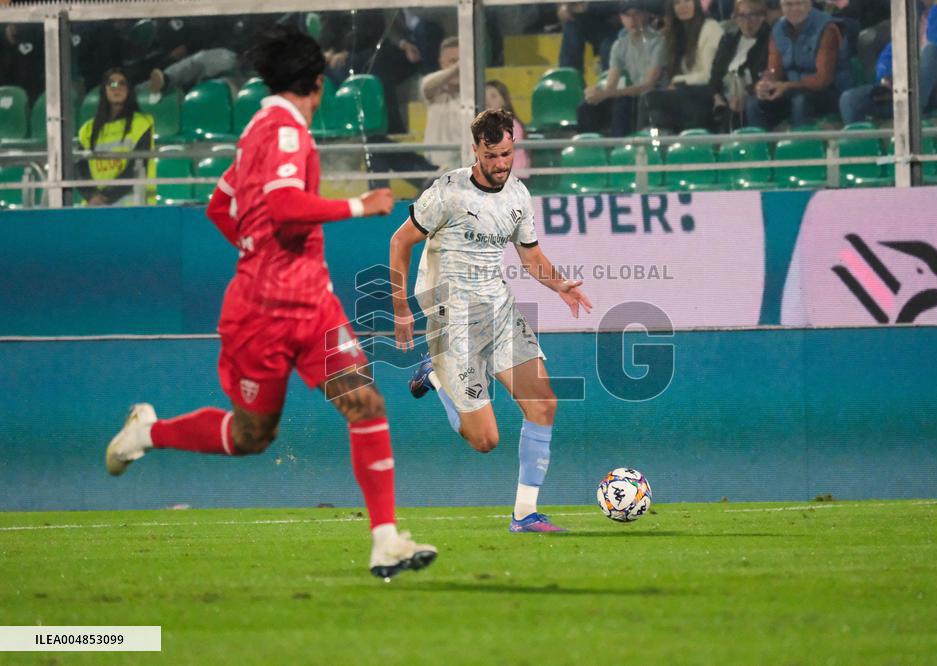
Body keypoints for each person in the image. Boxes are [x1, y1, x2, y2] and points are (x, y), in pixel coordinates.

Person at [104, 26, 437, 580]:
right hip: (263, 313)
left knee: (366, 405)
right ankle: (148, 432)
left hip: (311, 306)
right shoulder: (285, 131)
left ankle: (385, 541)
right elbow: (283, 205)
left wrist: (262, 253)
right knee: (251, 435)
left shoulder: (257, 130)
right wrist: (361, 205)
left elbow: (220, 206)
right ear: (317, 83)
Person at [389, 109, 593, 534]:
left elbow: (531, 256)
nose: (501, 163)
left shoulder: (518, 195)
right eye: (492, 155)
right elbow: (399, 241)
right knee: (485, 441)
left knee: (543, 404)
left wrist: (560, 286)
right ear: (475, 151)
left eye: (507, 153)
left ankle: (524, 514)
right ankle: (437, 376)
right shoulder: (447, 192)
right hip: (451, 316)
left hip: (498, 308)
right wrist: (401, 308)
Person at [839, 0, 937, 124]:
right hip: (907, 91)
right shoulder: (914, 12)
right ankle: (867, 150)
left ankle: (911, 109)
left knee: (931, 51)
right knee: (850, 100)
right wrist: (886, 77)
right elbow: (891, 51)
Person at [745, 0, 851, 129]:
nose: (794, 9)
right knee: (754, 102)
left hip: (828, 91)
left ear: (809, 4)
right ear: (781, 7)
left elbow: (823, 78)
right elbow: (774, 68)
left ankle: (804, 146)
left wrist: (788, 86)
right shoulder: (777, 29)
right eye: (788, 4)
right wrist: (766, 82)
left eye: (799, 3)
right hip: (791, 89)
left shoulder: (827, 28)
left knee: (801, 101)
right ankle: (761, 147)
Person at [577, 1, 665, 137]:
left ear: (646, 15)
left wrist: (607, 93)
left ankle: (619, 150)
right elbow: (610, 85)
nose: (632, 20)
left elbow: (648, 85)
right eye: (627, 16)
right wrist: (596, 93)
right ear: (621, 18)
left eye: (636, 14)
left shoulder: (658, 42)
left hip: (655, 94)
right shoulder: (619, 45)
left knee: (622, 103)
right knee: (586, 107)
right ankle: (589, 150)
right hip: (633, 94)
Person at [77, 68, 156, 206]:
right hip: (95, 206)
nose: (117, 88)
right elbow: (80, 169)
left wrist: (105, 198)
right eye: (111, 84)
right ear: (104, 90)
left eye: (122, 83)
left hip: (133, 206)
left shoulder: (142, 124)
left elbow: (137, 166)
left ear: (129, 89)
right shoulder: (87, 130)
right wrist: (91, 196)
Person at [642, 0, 724, 132]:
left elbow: (709, 76)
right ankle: (658, 147)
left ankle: (645, 148)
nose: (682, 7)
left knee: (650, 98)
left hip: (707, 93)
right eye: (677, 3)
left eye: (687, 1)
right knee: (655, 110)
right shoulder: (677, 33)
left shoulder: (711, 28)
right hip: (685, 93)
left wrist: (678, 80)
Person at [708, 0, 772, 131]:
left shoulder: (769, 40)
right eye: (741, 16)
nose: (747, 22)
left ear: (762, 17)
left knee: (745, 106)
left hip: (751, 92)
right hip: (725, 94)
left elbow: (763, 74)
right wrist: (716, 96)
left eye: (752, 15)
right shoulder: (728, 39)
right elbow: (716, 73)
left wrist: (745, 93)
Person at [420, 36, 463, 170]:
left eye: (461, 61)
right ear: (442, 63)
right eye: (453, 61)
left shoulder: (477, 91)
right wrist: (457, 68)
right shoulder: (432, 86)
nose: (458, 67)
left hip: (464, 168)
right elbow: (427, 87)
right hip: (432, 166)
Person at [557, 2, 622, 74]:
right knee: (571, 23)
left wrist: (586, 6)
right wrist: (565, 6)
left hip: (623, 26)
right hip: (598, 20)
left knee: (607, 47)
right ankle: (569, 77)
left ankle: (609, 81)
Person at [484, 80, 531, 178]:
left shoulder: (510, 124)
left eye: (493, 96)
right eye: (485, 97)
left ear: (504, 101)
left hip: (514, 177)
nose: (488, 101)